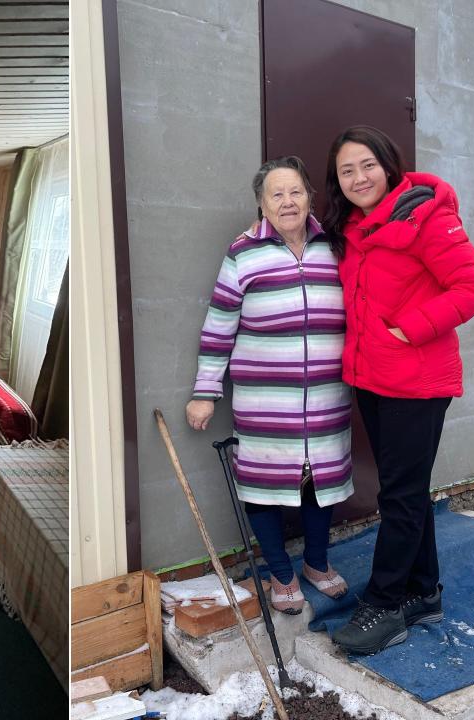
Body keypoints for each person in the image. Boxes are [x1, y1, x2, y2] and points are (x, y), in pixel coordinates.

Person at [323, 126, 474, 655]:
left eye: (367, 165)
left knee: (397, 494)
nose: (358, 177)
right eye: (346, 170)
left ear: (389, 165)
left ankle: (386, 600)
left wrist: (411, 327)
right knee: (408, 490)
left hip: (416, 380)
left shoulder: (426, 217)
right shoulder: (353, 228)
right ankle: (422, 591)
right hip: (373, 378)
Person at [186, 156, 353, 614]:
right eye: (275, 194)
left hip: (326, 394)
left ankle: (316, 564)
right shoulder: (243, 253)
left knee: (321, 482)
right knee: (263, 486)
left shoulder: (334, 245)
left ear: (310, 197)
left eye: (295, 191)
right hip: (264, 399)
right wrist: (205, 392)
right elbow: (219, 325)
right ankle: (281, 573)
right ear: (261, 204)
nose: (287, 202)